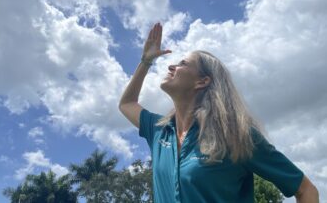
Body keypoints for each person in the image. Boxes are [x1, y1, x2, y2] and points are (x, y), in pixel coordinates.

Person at [119, 23, 319, 202]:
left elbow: (306, 190)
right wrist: (146, 61)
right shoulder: (159, 131)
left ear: (203, 81)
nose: (171, 66)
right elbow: (127, 103)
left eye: (182, 63)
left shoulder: (235, 136)